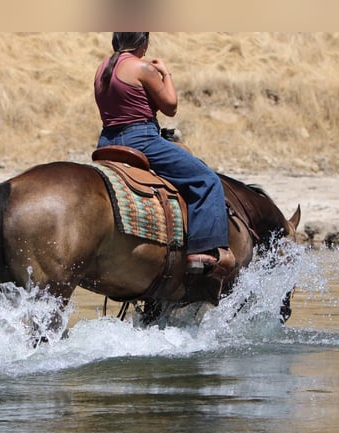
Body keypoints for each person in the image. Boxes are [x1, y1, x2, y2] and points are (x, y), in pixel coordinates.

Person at [94, 32, 235, 278]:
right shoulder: (142, 68)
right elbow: (170, 106)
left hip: (106, 140)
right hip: (142, 139)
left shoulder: (103, 67)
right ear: (143, 42)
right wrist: (165, 73)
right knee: (206, 180)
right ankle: (204, 252)